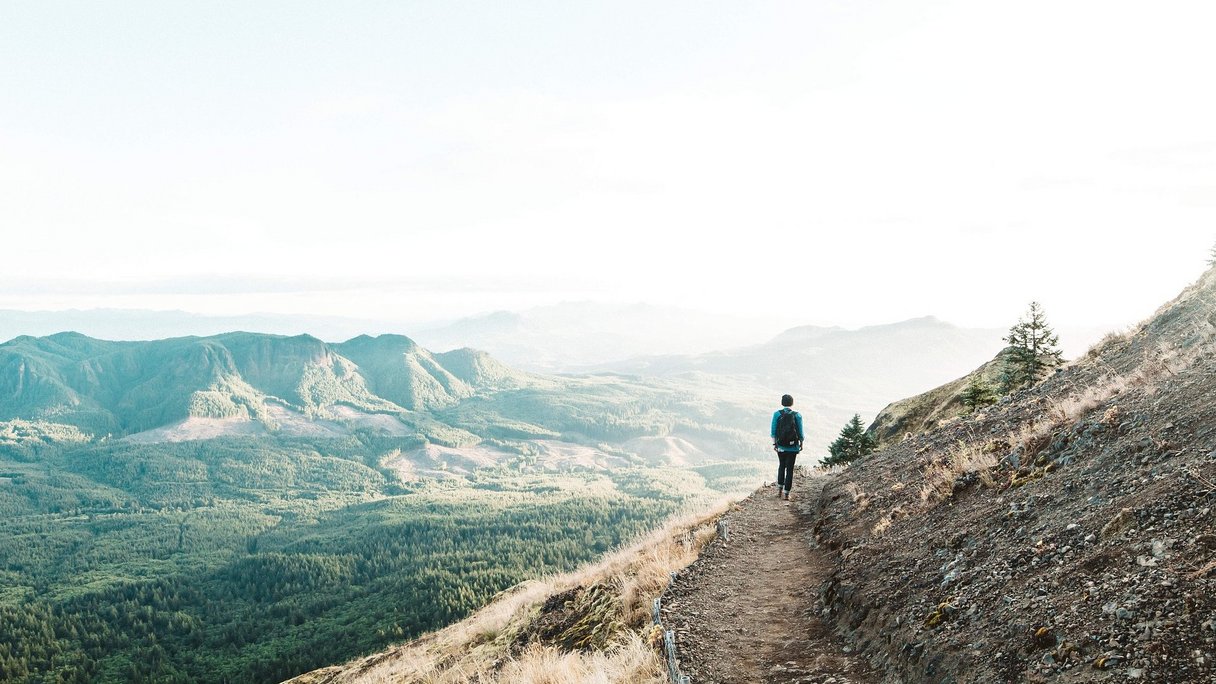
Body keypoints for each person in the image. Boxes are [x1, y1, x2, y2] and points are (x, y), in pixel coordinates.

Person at [771, 394, 804, 501]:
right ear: (792, 403)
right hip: (793, 447)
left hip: (781, 446)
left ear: (782, 403)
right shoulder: (797, 415)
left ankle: (779, 490)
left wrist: (775, 444)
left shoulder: (777, 414)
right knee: (790, 469)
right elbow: (800, 432)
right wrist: (801, 443)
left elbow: (773, 431)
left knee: (781, 466)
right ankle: (786, 494)